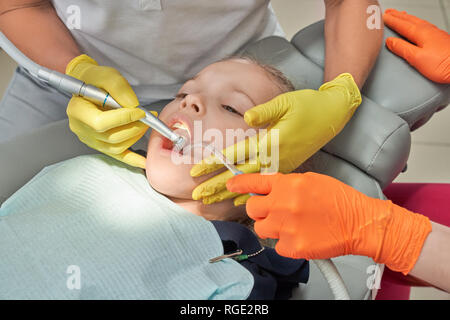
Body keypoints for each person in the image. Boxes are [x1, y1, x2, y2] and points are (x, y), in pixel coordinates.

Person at [0, 0, 383, 194]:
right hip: (66, 70)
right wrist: (77, 72)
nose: (187, 102)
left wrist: (340, 93)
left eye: (232, 107)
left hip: (243, 55)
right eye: (184, 94)